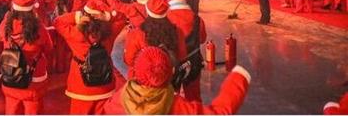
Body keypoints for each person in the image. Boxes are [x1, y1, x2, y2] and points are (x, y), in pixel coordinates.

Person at [104, 47, 251, 114]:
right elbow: (219, 112)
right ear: (169, 73)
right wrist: (238, 79)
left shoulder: (117, 101)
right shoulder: (179, 107)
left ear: (136, 72)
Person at [54, 0, 124, 114]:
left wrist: (77, 16)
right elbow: (121, 16)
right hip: (105, 83)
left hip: (81, 85)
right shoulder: (110, 32)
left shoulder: (75, 34)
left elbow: (58, 21)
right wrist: (107, 15)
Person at [0, 0, 54, 114]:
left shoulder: (5, 25)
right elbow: (49, 48)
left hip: (11, 74)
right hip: (33, 77)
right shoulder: (39, 29)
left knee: (12, 109)